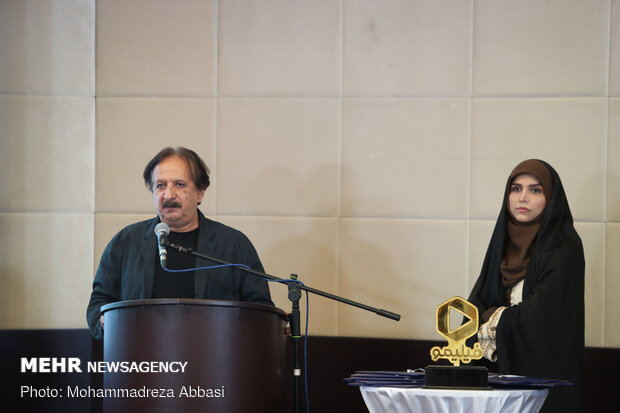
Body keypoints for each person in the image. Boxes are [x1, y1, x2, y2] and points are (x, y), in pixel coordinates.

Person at [87, 147, 273, 340]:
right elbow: (98, 304)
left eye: (179, 185)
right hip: (141, 360)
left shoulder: (233, 245)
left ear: (200, 193)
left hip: (214, 361)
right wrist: (103, 321)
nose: (168, 195)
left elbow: (260, 308)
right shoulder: (125, 242)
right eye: (160, 185)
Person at [467, 159, 584, 413]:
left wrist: (493, 318)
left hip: (542, 386)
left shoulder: (563, 249)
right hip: (493, 387)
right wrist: (491, 318)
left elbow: (541, 317)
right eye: (516, 188)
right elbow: (475, 307)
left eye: (535, 190)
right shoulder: (501, 243)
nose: (522, 198)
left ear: (550, 198)